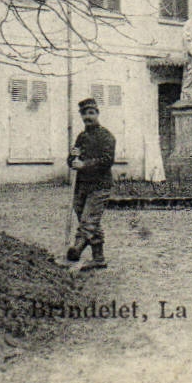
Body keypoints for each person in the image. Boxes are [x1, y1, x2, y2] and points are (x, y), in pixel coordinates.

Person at [66, 97, 116, 270]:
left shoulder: (106, 136)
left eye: (91, 113)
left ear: (97, 113)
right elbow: (71, 162)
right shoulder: (81, 137)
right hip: (82, 186)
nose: (88, 117)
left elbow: (107, 160)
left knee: (88, 221)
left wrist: (85, 164)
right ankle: (98, 258)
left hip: (99, 185)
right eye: (84, 114)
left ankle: (76, 248)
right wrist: (73, 156)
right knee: (87, 219)